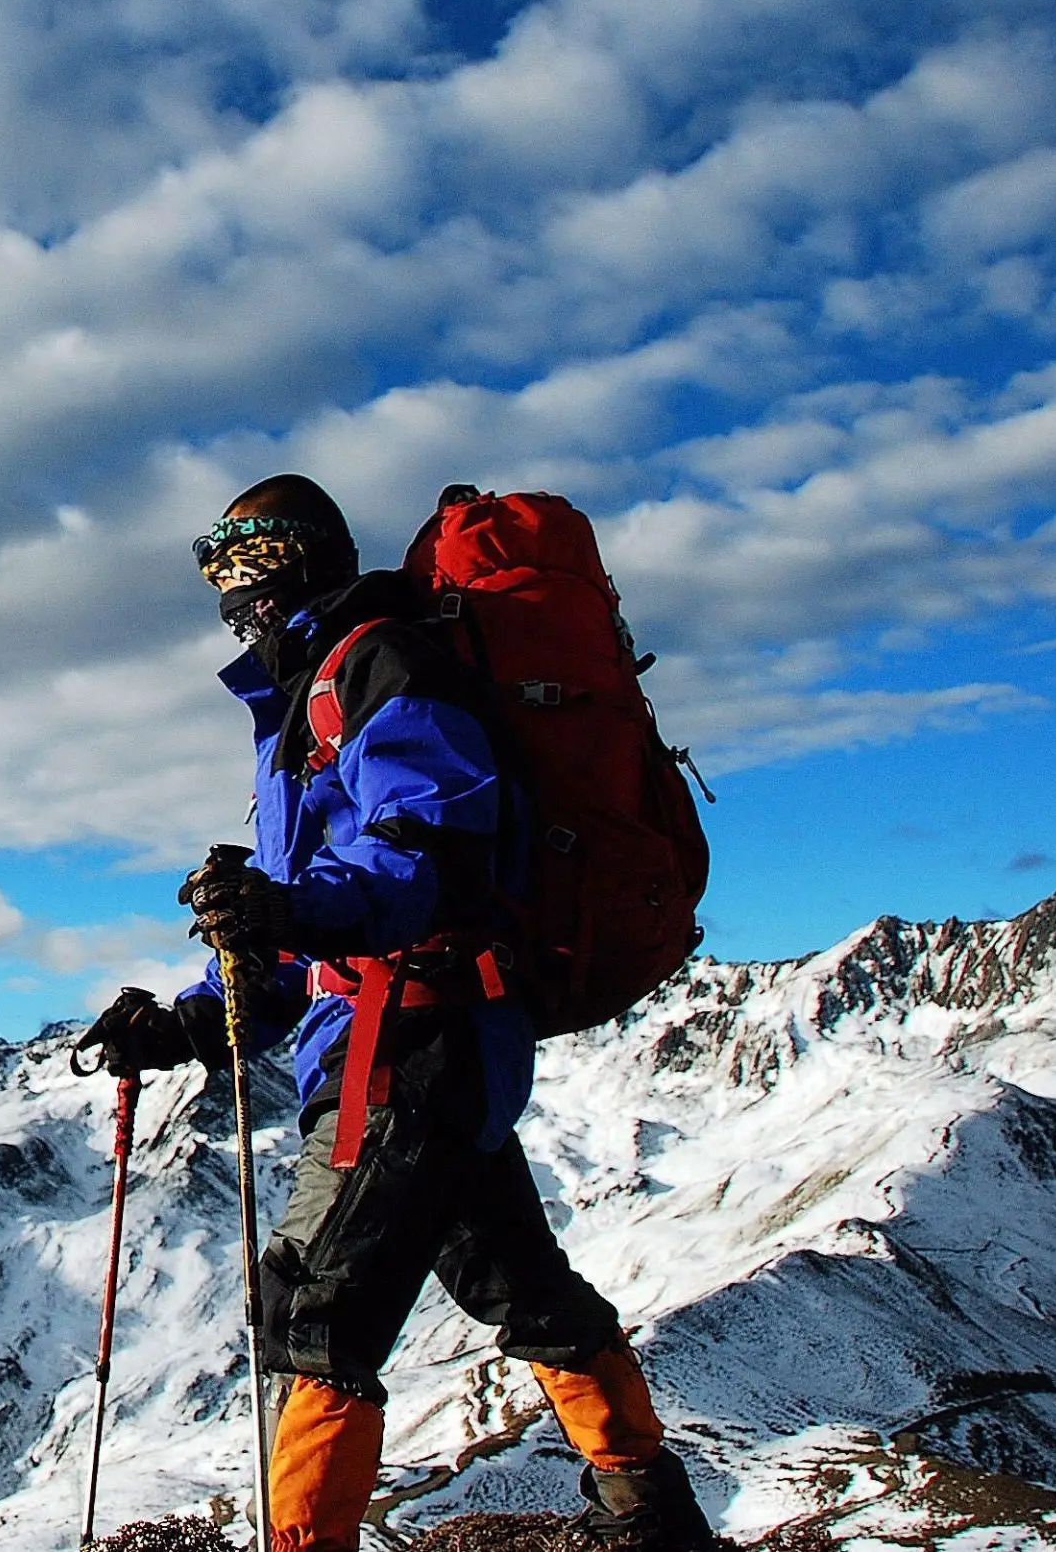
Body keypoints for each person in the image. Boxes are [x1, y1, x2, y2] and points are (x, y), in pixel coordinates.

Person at [87, 474, 716, 1552]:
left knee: (311, 1312)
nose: (231, 587)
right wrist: (190, 1020)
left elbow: (431, 855)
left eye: (248, 557)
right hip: (423, 1035)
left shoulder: (381, 664)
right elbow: (309, 929)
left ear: (303, 557)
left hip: (409, 1039)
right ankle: (648, 1506)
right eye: (216, 565)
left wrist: (284, 909)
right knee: (520, 1284)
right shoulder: (308, 696)